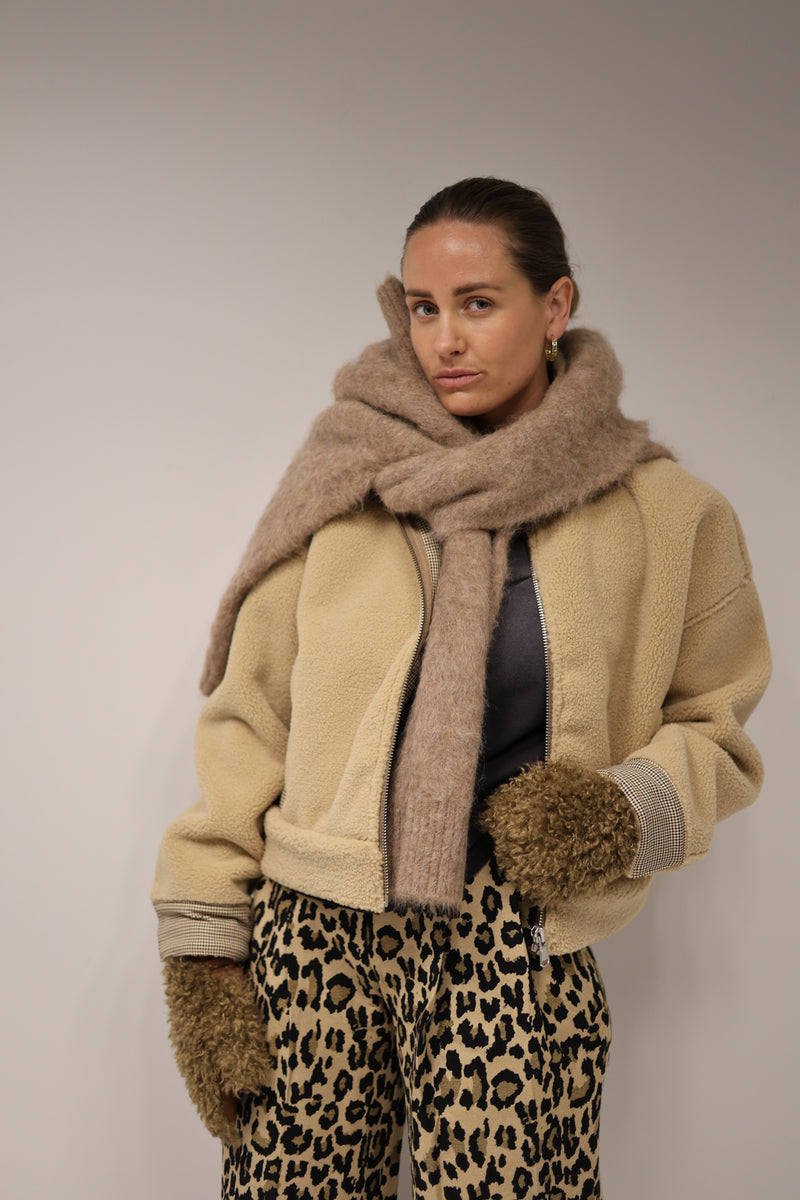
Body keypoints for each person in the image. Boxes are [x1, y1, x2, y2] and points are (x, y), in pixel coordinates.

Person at [152, 178, 770, 1200]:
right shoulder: (346, 480)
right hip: (314, 933)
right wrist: (205, 953)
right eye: (423, 307)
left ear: (555, 305)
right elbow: (249, 719)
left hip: (511, 935)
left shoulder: (667, 514)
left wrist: (616, 812)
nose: (444, 339)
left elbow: (718, 728)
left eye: (478, 304)